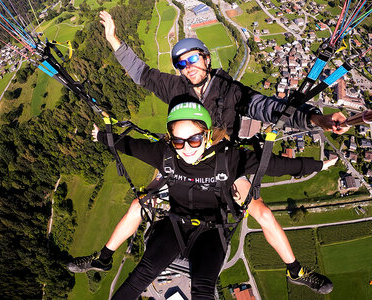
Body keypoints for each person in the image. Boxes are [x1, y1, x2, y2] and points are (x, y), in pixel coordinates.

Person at [67, 11, 346, 294]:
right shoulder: (176, 88)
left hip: (222, 163)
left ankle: (295, 270)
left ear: (206, 58)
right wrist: (113, 39)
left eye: (193, 59)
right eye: (181, 63)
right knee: (139, 204)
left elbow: (270, 109)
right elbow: (140, 72)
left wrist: (317, 120)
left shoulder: (230, 90)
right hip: (181, 157)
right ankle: (103, 259)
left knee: (262, 214)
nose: (188, 67)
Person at [89, 100, 331, 299]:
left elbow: (276, 165)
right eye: (178, 141)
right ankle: (104, 258)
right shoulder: (164, 155)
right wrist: (101, 136)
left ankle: (295, 270)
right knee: (140, 276)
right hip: (175, 225)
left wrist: (318, 165)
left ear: (205, 135)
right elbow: (129, 145)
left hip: (212, 231)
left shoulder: (228, 159)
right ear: (171, 140)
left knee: (203, 291)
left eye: (194, 140)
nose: (186, 149)